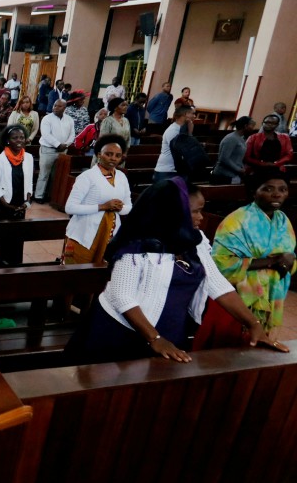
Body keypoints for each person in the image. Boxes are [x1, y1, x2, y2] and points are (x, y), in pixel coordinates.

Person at [64, 178, 281, 364]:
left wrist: (253, 324)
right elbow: (121, 296)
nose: (201, 217)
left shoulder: (194, 241)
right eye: (195, 211)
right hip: (119, 333)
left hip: (168, 331)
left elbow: (217, 283)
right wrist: (155, 339)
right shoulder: (137, 245)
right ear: (173, 211)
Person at [193, 171, 296, 350]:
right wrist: (272, 262)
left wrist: (289, 259)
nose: (277, 194)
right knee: (229, 350)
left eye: (283, 189)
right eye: (268, 189)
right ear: (254, 192)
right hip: (236, 297)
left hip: (270, 292)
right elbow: (220, 264)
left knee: (257, 350)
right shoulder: (236, 220)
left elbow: (288, 256)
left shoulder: (283, 220)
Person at [62, 136, 132, 265]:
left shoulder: (122, 177)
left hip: (108, 231)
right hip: (83, 232)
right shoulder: (87, 177)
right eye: (108, 154)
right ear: (99, 154)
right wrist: (102, 206)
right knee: (75, 272)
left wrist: (120, 208)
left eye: (118, 155)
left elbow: (129, 206)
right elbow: (70, 207)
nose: (113, 158)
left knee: (99, 273)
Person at [0, 125, 33, 265]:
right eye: (15, 138)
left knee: (17, 237)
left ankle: (16, 265)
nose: (19, 140)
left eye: (21, 137)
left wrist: (26, 202)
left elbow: (29, 181)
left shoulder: (28, 157)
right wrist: (7, 205)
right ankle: (1, 265)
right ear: (8, 140)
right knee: (4, 237)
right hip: (5, 204)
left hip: (21, 204)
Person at [36, 99, 76, 203]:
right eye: (55, 105)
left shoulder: (69, 119)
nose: (55, 108)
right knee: (44, 174)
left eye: (59, 106)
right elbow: (46, 134)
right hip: (48, 149)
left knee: (57, 174)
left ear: (64, 108)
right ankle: (39, 196)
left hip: (63, 151)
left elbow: (72, 134)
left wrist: (66, 144)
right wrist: (58, 144)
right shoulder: (47, 118)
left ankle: (51, 195)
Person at [154, 104, 195, 183]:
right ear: (186, 114)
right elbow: (183, 149)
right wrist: (190, 133)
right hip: (166, 171)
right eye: (192, 113)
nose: (194, 116)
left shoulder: (182, 129)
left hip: (176, 170)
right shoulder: (173, 130)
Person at [211, 116, 257, 184]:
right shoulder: (231, 138)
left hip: (233, 174)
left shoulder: (241, 138)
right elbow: (224, 158)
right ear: (245, 126)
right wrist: (239, 170)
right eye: (252, 126)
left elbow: (238, 158)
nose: (253, 128)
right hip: (224, 175)